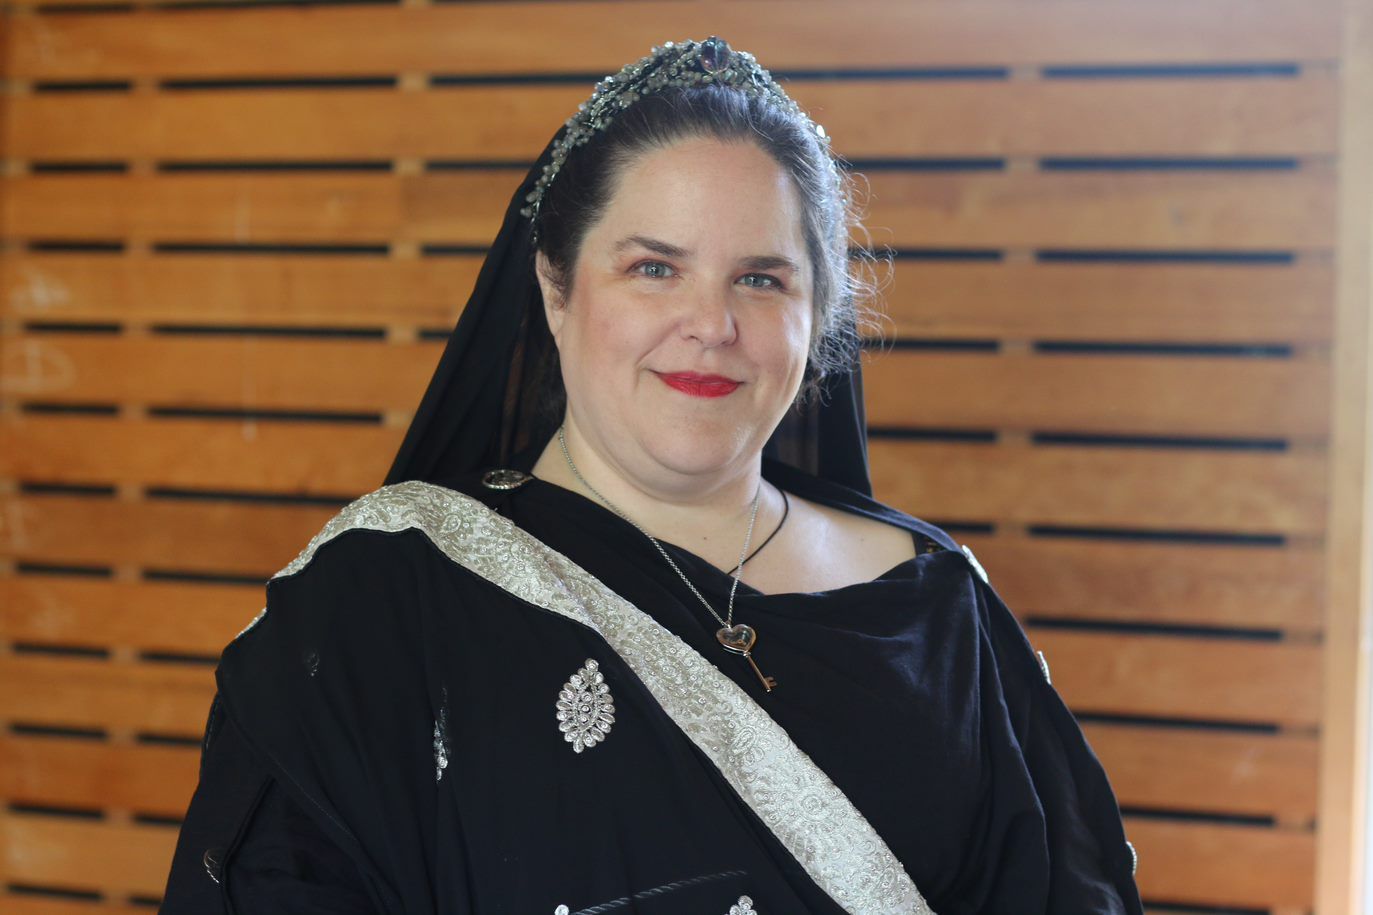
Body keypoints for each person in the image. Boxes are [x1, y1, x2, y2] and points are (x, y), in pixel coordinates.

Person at [161, 37, 1144, 914]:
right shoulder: (376, 606)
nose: (710, 326)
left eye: (759, 278)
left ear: (818, 316)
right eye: (653, 268)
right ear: (554, 286)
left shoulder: (939, 614)